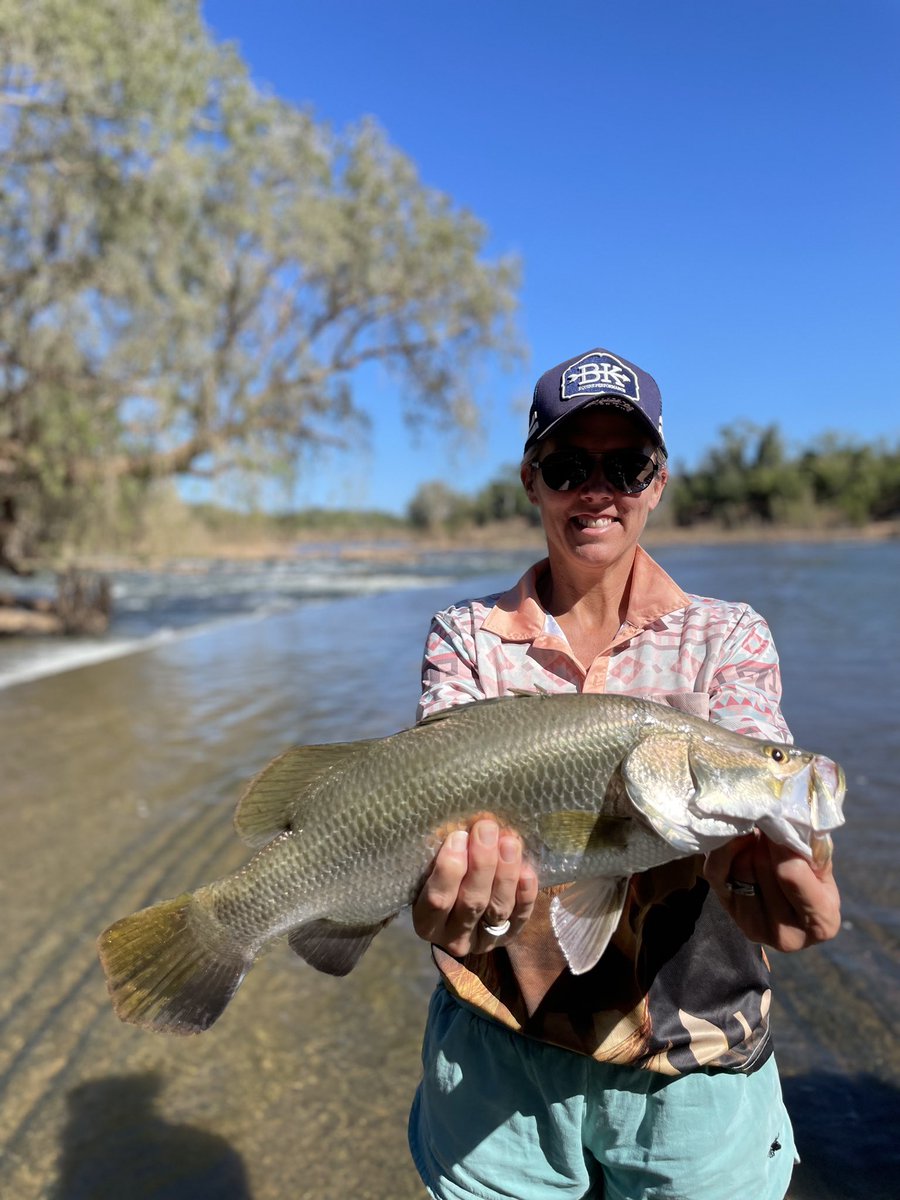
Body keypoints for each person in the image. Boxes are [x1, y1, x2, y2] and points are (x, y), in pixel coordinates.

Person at [407, 347, 841, 1200]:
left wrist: (785, 860)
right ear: (533, 480)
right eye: (570, 465)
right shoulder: (464, 635)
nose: (596, 489)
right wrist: (444, 902)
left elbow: (756, 760)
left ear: (659, 481)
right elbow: (432, 812)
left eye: (626, 464)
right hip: (500, 1057)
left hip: (694, 1063)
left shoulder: (730, 635)